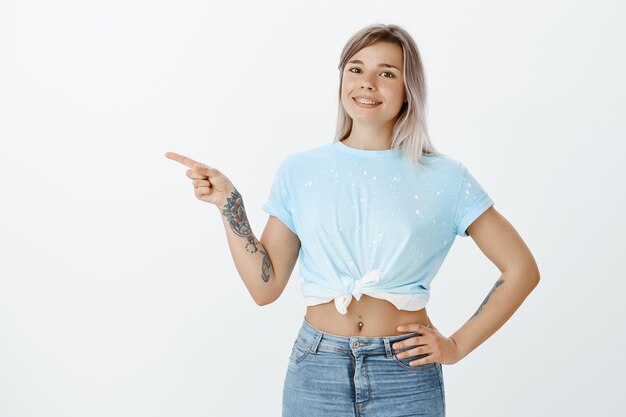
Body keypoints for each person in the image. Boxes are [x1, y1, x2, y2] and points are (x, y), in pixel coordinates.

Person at [166, 23, 540, 417]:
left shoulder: (446, 178)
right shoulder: (300, 170)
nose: (367, 84)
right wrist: (230, 204)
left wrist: (457, 346)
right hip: (316, 368)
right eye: (356, 69)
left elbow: (521, 269)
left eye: (387, 73)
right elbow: (266, 288)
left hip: (405, 374)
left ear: (409, 88)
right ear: (342, 78)